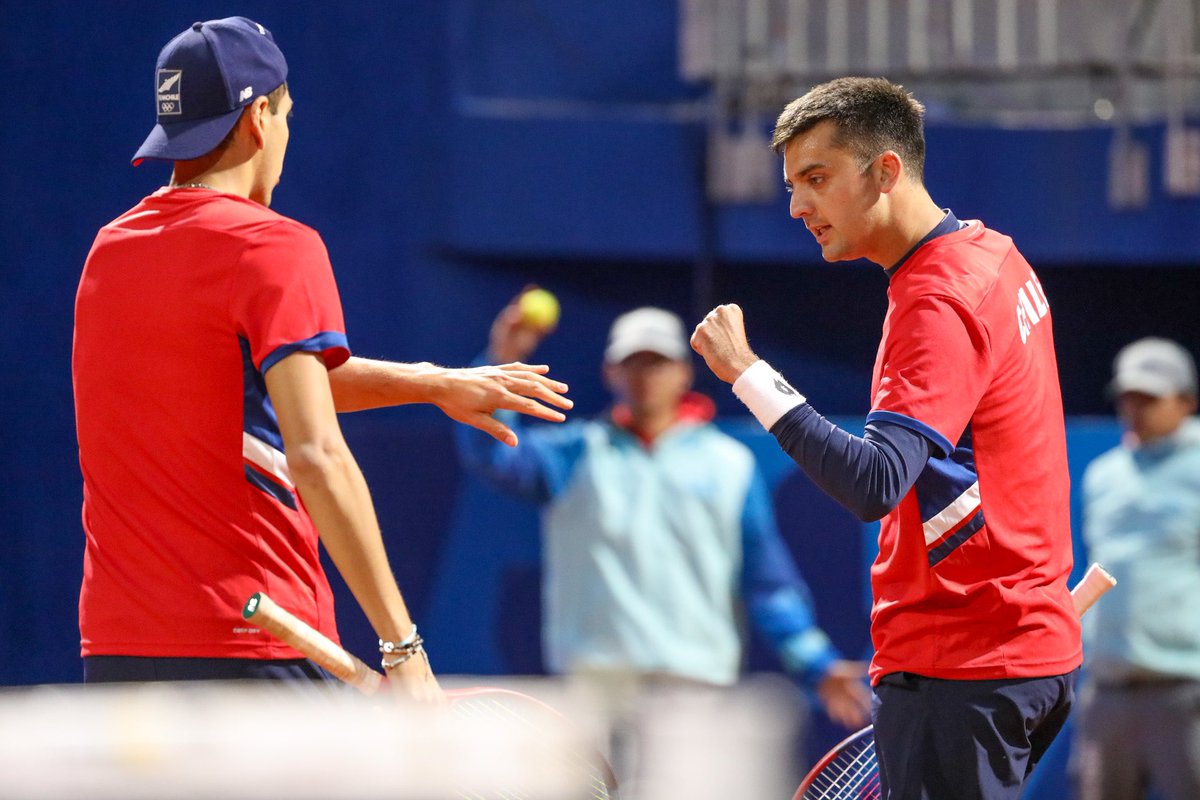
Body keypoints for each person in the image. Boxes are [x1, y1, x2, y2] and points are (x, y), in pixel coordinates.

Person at [72, 17, 570, 696]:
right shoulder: (273, 246)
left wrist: (432, 383)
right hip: (256, 649)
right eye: (287, 116)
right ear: (258, 119)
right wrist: (403, 647)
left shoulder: (110, 252)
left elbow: (261, 384)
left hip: (120, 654)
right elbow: (316, 453)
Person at [690, 76, 1082, 799]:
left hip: (963, 664)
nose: (798, 206)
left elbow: (872, 483)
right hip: (1022, 651)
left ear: (886, 171)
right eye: (791, 185)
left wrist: (746, 374)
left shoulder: (936, 301)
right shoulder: (993, 255)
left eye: (816, 178)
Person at [455, 301, 872, 778]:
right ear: (611, 372)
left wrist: (815, 662)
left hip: (696, 692)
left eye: (657, 362)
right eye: (632, 363)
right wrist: (496, 362)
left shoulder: (728, 464)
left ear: (682, 373)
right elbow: (491, 455)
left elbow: (766, 582)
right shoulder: (573, 456)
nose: (644, 375)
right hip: (597, 688)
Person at [1071, 337, 1200, 800]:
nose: (1136, 408)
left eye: (1150, 397)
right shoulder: (1104, 474)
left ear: (1186, 401)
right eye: (1128, 396)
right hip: (1107, 690)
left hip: (1187, 689)